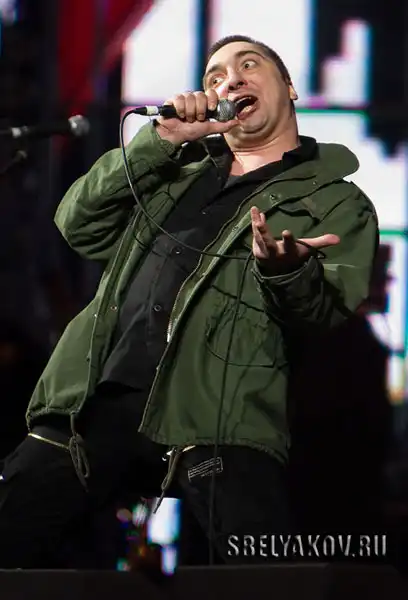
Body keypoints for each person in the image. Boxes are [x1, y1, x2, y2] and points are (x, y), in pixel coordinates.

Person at [0, 34, 378, 567]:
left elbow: (323, 312)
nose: (230, 80)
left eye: (249, 65)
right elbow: (78, 224)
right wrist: (160, 140)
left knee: (260, 571)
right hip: (97, 403)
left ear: (290, 88)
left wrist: (287, 270)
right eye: (215, 76)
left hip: (217, 416)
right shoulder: (173, 173)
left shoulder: (336, 200)